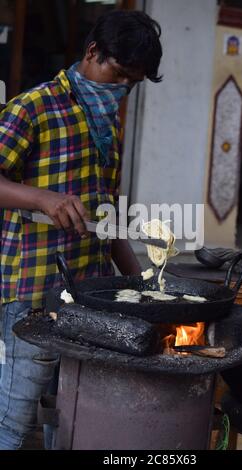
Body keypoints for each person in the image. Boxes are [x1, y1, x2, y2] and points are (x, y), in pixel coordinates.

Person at [0, 10, 163, 450]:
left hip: (90, 294)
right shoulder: (32, 107)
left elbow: (105, 220)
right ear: (92, 52)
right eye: (119, 74)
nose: (121, 89)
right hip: (34, 293)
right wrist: (42, 198)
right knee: (14, 422)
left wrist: (138, 284)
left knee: (70, 414)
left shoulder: (107, 123)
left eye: (132, 83)